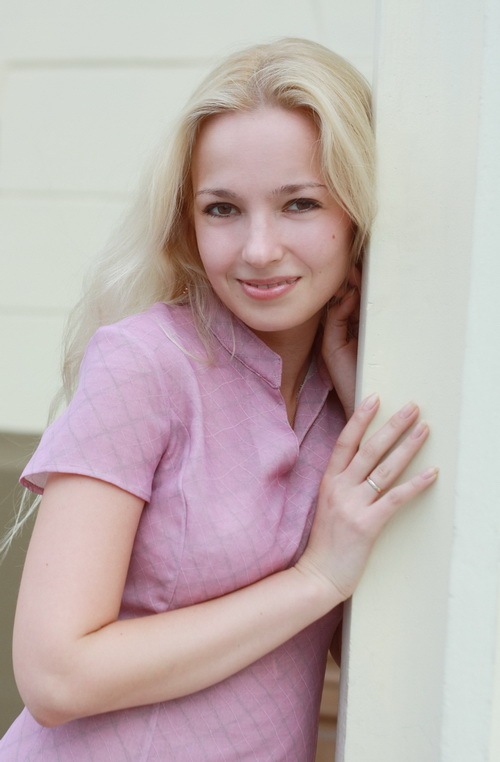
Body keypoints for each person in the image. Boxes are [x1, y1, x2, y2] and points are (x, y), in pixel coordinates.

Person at [0, 38, 437, 761]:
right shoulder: (144, 364)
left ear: (357, 212)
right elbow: (56, 675)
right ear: (187, 221)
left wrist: (359, 398)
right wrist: (313, 579)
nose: (259, 249)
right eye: (223, 209)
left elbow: (398, 652)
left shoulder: (345, 397)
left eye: (300, 204)